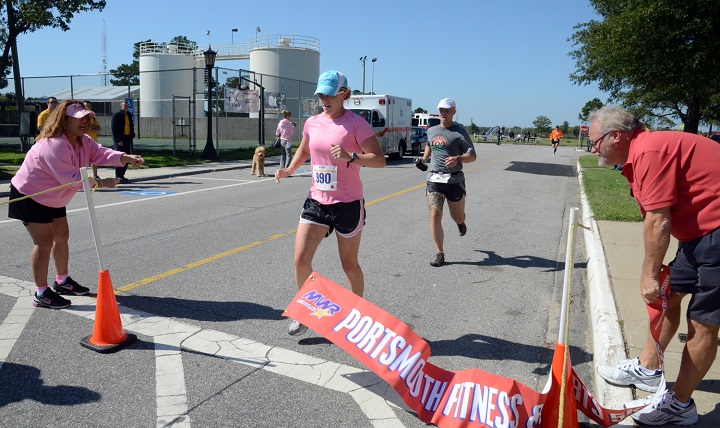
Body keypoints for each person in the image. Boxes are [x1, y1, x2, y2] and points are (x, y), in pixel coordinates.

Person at [590, 105, 720, 426]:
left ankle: (680, 404)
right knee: (669, 294)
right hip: (700, 236)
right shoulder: (643, 150)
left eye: (595, 142)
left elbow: (658, 220)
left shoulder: (649, 150)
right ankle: (649, 369)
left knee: (703, 322)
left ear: (616, 136)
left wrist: (648, 274)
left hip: (716, 235)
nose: (593, 149)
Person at [274, 70, 385, 336]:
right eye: (321, 94)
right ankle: (307, 311)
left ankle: (357, 314)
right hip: (317, 201)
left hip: (347, 204)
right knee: (301, 260)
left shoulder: (356, 124)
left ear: (344, 94)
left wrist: (352, 157)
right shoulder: (312, 123)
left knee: (349, 264)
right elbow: (304, 149)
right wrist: (290, 169)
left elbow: (379, 160)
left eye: (330, 94)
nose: (324, 99)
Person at [7, 100, 144, 309]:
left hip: (54, 197)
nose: (85, 121)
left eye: (87, 117)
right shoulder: (54, 144)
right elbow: (71, 178)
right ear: (65, 120)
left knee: (61, 236)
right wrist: (101, 183)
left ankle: (62, 281)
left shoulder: (83, 141)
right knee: (43, 243)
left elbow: (101, 153)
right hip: (30, 194)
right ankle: (41, 293)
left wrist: (125, 157)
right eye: (79, 118)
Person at [417, 98, 477, 267]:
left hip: (454, 179)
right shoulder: (432, 130)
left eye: (447, 110)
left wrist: (458, 158)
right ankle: (439, 253)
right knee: (435, 214)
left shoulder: (460, 133)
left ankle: (460, 223)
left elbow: (472, 156)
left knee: (456, 216)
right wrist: (423, 158)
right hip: (434, 179)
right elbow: (430, 144)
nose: (443, 113)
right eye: (441, 110)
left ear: (453, 112)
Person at [111, 100, 136, 183]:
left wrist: (132, 135)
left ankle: (122, 175)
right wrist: (118, 140)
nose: (126, 108)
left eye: (127, 106)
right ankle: (118, 176)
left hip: (127, 139)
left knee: (127, 158)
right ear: (121, 107)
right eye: (124, 106)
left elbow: (131, 127)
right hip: (120, 139)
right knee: (120, 157)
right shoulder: (117, 115)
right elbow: (114, 128)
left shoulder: (129, 115)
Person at [83, 101, 102, 180]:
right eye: (87, 106)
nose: (88, 108)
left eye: (90, 106)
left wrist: (92, 128)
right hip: (83, 141)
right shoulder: (81, 117)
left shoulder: (93, 117)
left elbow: (98, 128)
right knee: (84, 159)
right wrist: (88, 128)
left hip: (93, 141)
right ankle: (83, 176)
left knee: (94, 159)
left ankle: (95, 175)